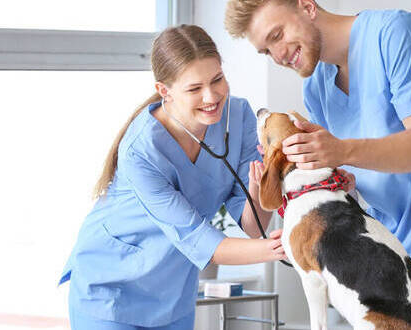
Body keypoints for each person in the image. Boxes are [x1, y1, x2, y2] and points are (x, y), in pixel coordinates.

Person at [225, 1, 411, 329]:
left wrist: (339, 150)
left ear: (306, 6)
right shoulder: (317, 88)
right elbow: (350, 173)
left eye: (278, 34)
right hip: (385, 252)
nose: (279, 54)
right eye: (266, 51)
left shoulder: (398, 35)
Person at [58, 24, 285, 330]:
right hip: (111, 290)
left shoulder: (239, 116)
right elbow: (196, 237)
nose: (211, 96)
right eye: (194, 89)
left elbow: (253, 226)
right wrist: (287, 246)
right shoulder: (140, 151)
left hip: (173, 293)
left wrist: (257, 189)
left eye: (217, 79)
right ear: (165, 91)